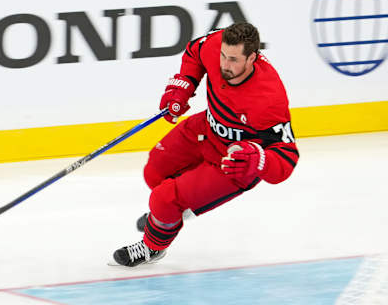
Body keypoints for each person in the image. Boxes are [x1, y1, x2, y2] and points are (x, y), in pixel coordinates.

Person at [112, 22, 299, 267]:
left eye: (233, 60)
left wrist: (259, 160)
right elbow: (194, 52)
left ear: (252, 57)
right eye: (223, 56)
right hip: (205, 129)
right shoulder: (216, 44)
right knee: (154, 172)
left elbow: (287, 156)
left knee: (163, 199)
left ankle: (152, 247)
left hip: (232, 164)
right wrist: (183, 87)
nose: (224, 65)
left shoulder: (268, 99)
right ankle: (168, 217)